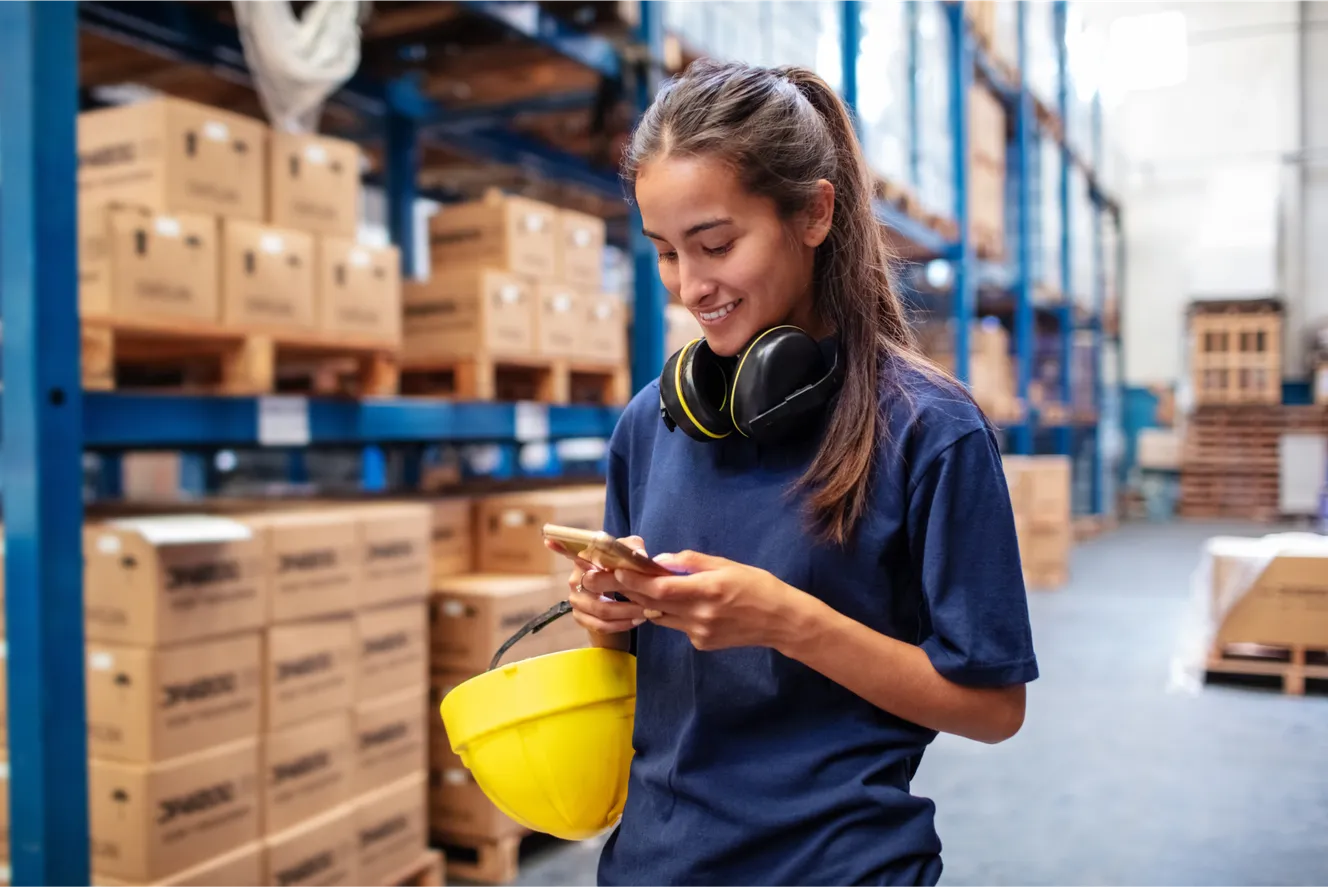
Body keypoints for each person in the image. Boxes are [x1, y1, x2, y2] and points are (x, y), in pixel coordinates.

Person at [545, 58, 1038, 887]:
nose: (690, 287)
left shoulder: (931, 431)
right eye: (666, 253)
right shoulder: (650, 423)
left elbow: (993, 708)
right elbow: (634, 673)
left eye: (715, 244)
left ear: (814, 212)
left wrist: (788, 621)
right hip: (652, 866)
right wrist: (606, 616)